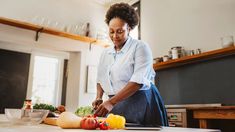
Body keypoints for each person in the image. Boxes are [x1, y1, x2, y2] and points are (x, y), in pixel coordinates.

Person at [92, 3, 168, 127]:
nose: (114, 36)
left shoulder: (140, 47)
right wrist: (99, 97)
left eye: (120, 31)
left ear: (129, 29)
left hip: (139, 100)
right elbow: (101, 78)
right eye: (111, 31)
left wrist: (111, 102)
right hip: (115, 103)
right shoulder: (105, 53)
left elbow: (138, 81)